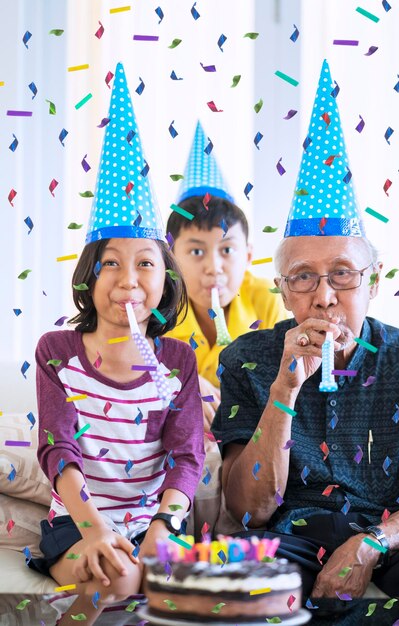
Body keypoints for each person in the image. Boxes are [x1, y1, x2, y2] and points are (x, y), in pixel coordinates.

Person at [211, 59, 399, 601]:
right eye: (303, 277)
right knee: (215, 585)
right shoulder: (245, 359)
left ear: (373, 281)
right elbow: (248, 509)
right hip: (289, 538)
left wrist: (372, 542)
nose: (324, 295)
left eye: (342, 274)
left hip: (396, 536)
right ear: (281, 289)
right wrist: (284, 389)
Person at [30, 63, 204, 626]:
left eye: (145, 263)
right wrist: (97, 528)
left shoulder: (177, 359)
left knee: (175, 582)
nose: (128, 280)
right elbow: (59, 450)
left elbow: (187, 456)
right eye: (110, 263)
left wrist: (162, 527)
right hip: (77, 522)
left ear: (165, 279)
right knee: (120, 574)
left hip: (155, 523)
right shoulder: (57, 351)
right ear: (87, 275)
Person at [165, 121, 287, 430]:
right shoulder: (154, 309)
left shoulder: (269, 302)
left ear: (247, 255)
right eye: (195, 252)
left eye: (227, 250)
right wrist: (184, 386)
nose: (214, 267)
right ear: (170, 258)